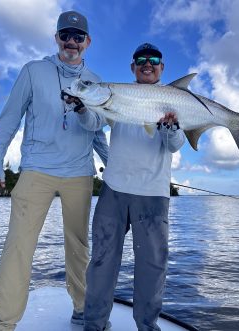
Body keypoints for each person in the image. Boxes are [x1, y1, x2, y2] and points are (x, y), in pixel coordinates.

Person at [0, 11, 108, 331]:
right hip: (36, 171)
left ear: (87, 42)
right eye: (65, 35)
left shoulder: (95, 81)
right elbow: (8, 120)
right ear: (56, 38)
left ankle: (82, 309)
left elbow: (97, 134)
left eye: (78, 37)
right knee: (17, 248)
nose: (71, 42)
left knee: (79, 249)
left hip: (80, 174)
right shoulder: (33, 71)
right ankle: (4, 324)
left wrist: (114, 167)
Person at [76, 43, 186, 331]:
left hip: (153, 195)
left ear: (162, 68)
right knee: (101, 262)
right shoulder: (115, 95)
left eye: (153, 60)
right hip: (114, 190)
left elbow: (174, 145)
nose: (146, 64)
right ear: (132, 67)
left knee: (152, 267)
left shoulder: (172, 100)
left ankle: (147, 326)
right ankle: (94, 324)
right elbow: (92, 122)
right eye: (140, 60)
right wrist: (80, 106)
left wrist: (171, 128)